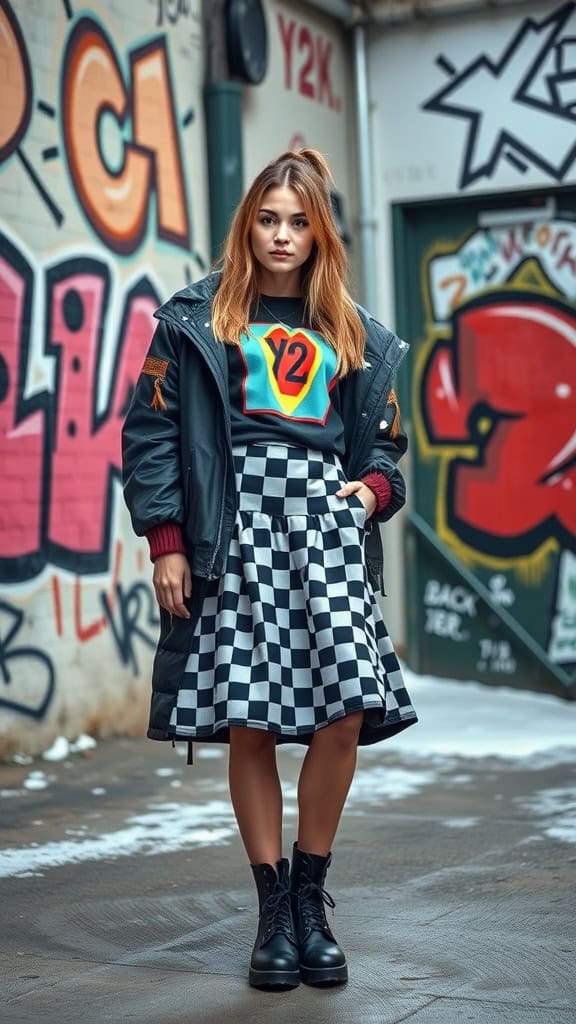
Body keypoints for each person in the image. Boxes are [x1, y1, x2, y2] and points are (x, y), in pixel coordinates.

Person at [122, 148, 417, 991]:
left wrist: (365, 497)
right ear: (247, 224)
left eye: (298, 222)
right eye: (268, 219)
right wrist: (167, 541)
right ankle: (270, 908)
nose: (282, 236)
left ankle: (311, 894)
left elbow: (388, 452)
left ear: (320, 234)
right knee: (250, 719)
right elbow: (150, 436)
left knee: (343, 714)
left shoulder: (356, 332)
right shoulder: (194, 318)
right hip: (234, 529)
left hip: (325, 528)